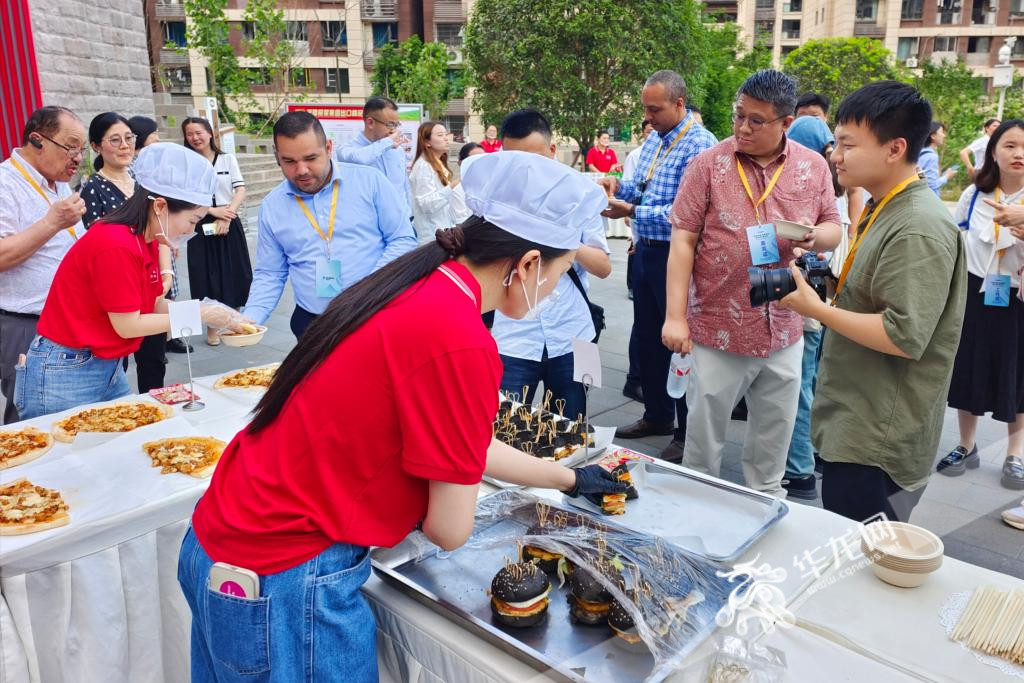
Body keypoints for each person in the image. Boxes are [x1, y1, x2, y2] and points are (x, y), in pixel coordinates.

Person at [177, 151, 627, 682]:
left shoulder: (419, 284)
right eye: (558, 272)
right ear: (528, 264)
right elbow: (449, 529)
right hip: (287, 576)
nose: (553, 288)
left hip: (226, 543)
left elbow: (466, 443)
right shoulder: (460, 339)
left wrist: (570, 477)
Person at [779, 81, 967, 523]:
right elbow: (864, 294)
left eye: (847, 143)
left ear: (895, 148)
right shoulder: (884, 206)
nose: (836, 155)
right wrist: (820, 278)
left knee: (865, 556)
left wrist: (816, 310)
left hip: (878, 439)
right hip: (859, 419)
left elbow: (903, 336)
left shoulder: (917, 225)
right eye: (835, 142)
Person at [664, 70, 841, 497]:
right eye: (738, 115)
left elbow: (833, 224)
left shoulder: (811, 166)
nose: (743, 127)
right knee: (703, 439)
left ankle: (764, 503)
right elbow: (684, 239)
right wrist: (675, 317)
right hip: (717, 325)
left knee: (773, 438)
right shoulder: (708, 164)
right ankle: (696, 508)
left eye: (756, 120)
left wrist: (818, 237)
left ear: (785, 122)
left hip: (784, 325)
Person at [13, 144, 248, 419]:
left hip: (106, 364)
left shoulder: (145, 239)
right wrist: (198, 313)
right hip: (67, 369)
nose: (191, 230)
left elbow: (152, 304)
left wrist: (216, 312)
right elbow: (128, 324)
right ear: (160, 206)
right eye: (192, 219)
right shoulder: (116, 243)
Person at [600, 70, 717, 461]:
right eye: (645, 109)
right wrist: (617, 186)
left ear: (679, 104)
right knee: (648, 339)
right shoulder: (655, 139)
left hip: (677, 255)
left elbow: (685, 215)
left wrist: (630, 209)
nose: (648, 117)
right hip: (647, 251)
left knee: (679, 343)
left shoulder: (700, 146)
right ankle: (657, 415)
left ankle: (686, 432)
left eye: (655, 109)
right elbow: (645, 189)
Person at [243, 112, 416, 338]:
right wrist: (249, 319)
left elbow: (402, 239)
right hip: (311, 321)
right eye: (289, 161)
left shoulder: (369, 181)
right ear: (277, 157)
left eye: (311, 158)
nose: (302, 170)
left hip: (372, 311)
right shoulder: (272, 206)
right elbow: (271, 272)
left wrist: (367, 289)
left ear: (329, 148)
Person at [491, 111, 612, 420]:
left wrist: (565, 240)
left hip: (575, 334)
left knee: (574, 431)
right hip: (514, 338)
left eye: (535, 159)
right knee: (505, 430)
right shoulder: (491, 202)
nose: (527, 171)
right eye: (515, 161)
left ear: (553, 151)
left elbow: (603, 267)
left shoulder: (583, 197)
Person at [938, 119, 1024, 490]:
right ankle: (965, 445)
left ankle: (1014, 455)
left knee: (1017, 373)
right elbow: (954, 237)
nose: (1018, 154)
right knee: (968, 366)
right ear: (993, 151)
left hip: (1019, 297)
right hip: (976, 291)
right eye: (1009, 145)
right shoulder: (975, 194)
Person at [0, 106, 86, 424]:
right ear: (37, 141)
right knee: (30, 422)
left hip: (68, 323)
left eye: (82, 149)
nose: (77, 158)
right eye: (70, 147)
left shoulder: (57, 184)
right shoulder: (6, 183)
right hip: (27, 325)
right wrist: (52, 222)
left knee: (66, 418)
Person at [82, 112, 173, 394]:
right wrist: (201, 314)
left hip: (155, 278)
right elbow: (98, 246)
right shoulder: (92, 189)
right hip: (122, 286)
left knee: (154, 357)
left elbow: (161, 233)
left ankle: (155, 409)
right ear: (96, 146)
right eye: (115, 140)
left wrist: (167, 273)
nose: (124, 146)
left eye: (128, 139)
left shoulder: (143, 181)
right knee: (119, 357)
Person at [778, 114, 838, 500]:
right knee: (810, 383)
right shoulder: (835, 182)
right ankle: (810, 457)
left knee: (798, 387)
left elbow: (829, 239)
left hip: (809, 298)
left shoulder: (811, 182)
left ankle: (799, 468)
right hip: (824, 293)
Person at [181, 117, 253, 346]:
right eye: (190, 134)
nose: (195, 138)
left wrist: (228, 215)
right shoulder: (187, 164)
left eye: (199, 132)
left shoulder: (227, 159)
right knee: (206, 275)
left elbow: (240, 189)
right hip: (201, 224)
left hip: (229, 222)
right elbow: (185, 198)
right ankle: (212, 327)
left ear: (210, 133)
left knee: (234, 272)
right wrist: (213, 211)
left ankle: (234, 323)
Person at [336, 97, 412, 218]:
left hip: (402, 221)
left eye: (396, 124)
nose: (394, 130)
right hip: (370, 226)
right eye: (390, 124)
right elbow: (361, 159)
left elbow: (404, 186)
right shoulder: (347, 150)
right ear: (370, 122)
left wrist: (410, 215)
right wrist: (387, 143)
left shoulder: (397, 150)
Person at [622, 120, 654, 402]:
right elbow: (635, 191)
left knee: (662, 327)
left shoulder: (697, 144)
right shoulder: (644, 152)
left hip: (670, 250)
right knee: (644, 323)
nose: (649, 119)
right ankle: (637, 380)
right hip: (645, 245)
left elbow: (682, 210)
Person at [409, 121, 456, 240]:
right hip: (432, 236)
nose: (446, 138)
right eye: (440, 135)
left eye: (446, 134)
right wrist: (452, 187)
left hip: (443, 232)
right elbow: (427, 205)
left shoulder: (438, 163)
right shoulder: (423, 167)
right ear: (427, 142)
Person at [450, 142, 485, 224]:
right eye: (475, 159)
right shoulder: (458, 191)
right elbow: (462, 224)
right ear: (463, 163)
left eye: (483, 158)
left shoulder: (492, 186)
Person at [919, 121, 956, 196]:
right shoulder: (931, 156)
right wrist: (946, 177)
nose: (944, 136)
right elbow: (931, 185)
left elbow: (922, 178)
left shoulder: (919, 153)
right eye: (942, 132)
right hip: (929, 200)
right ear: (933, 136)